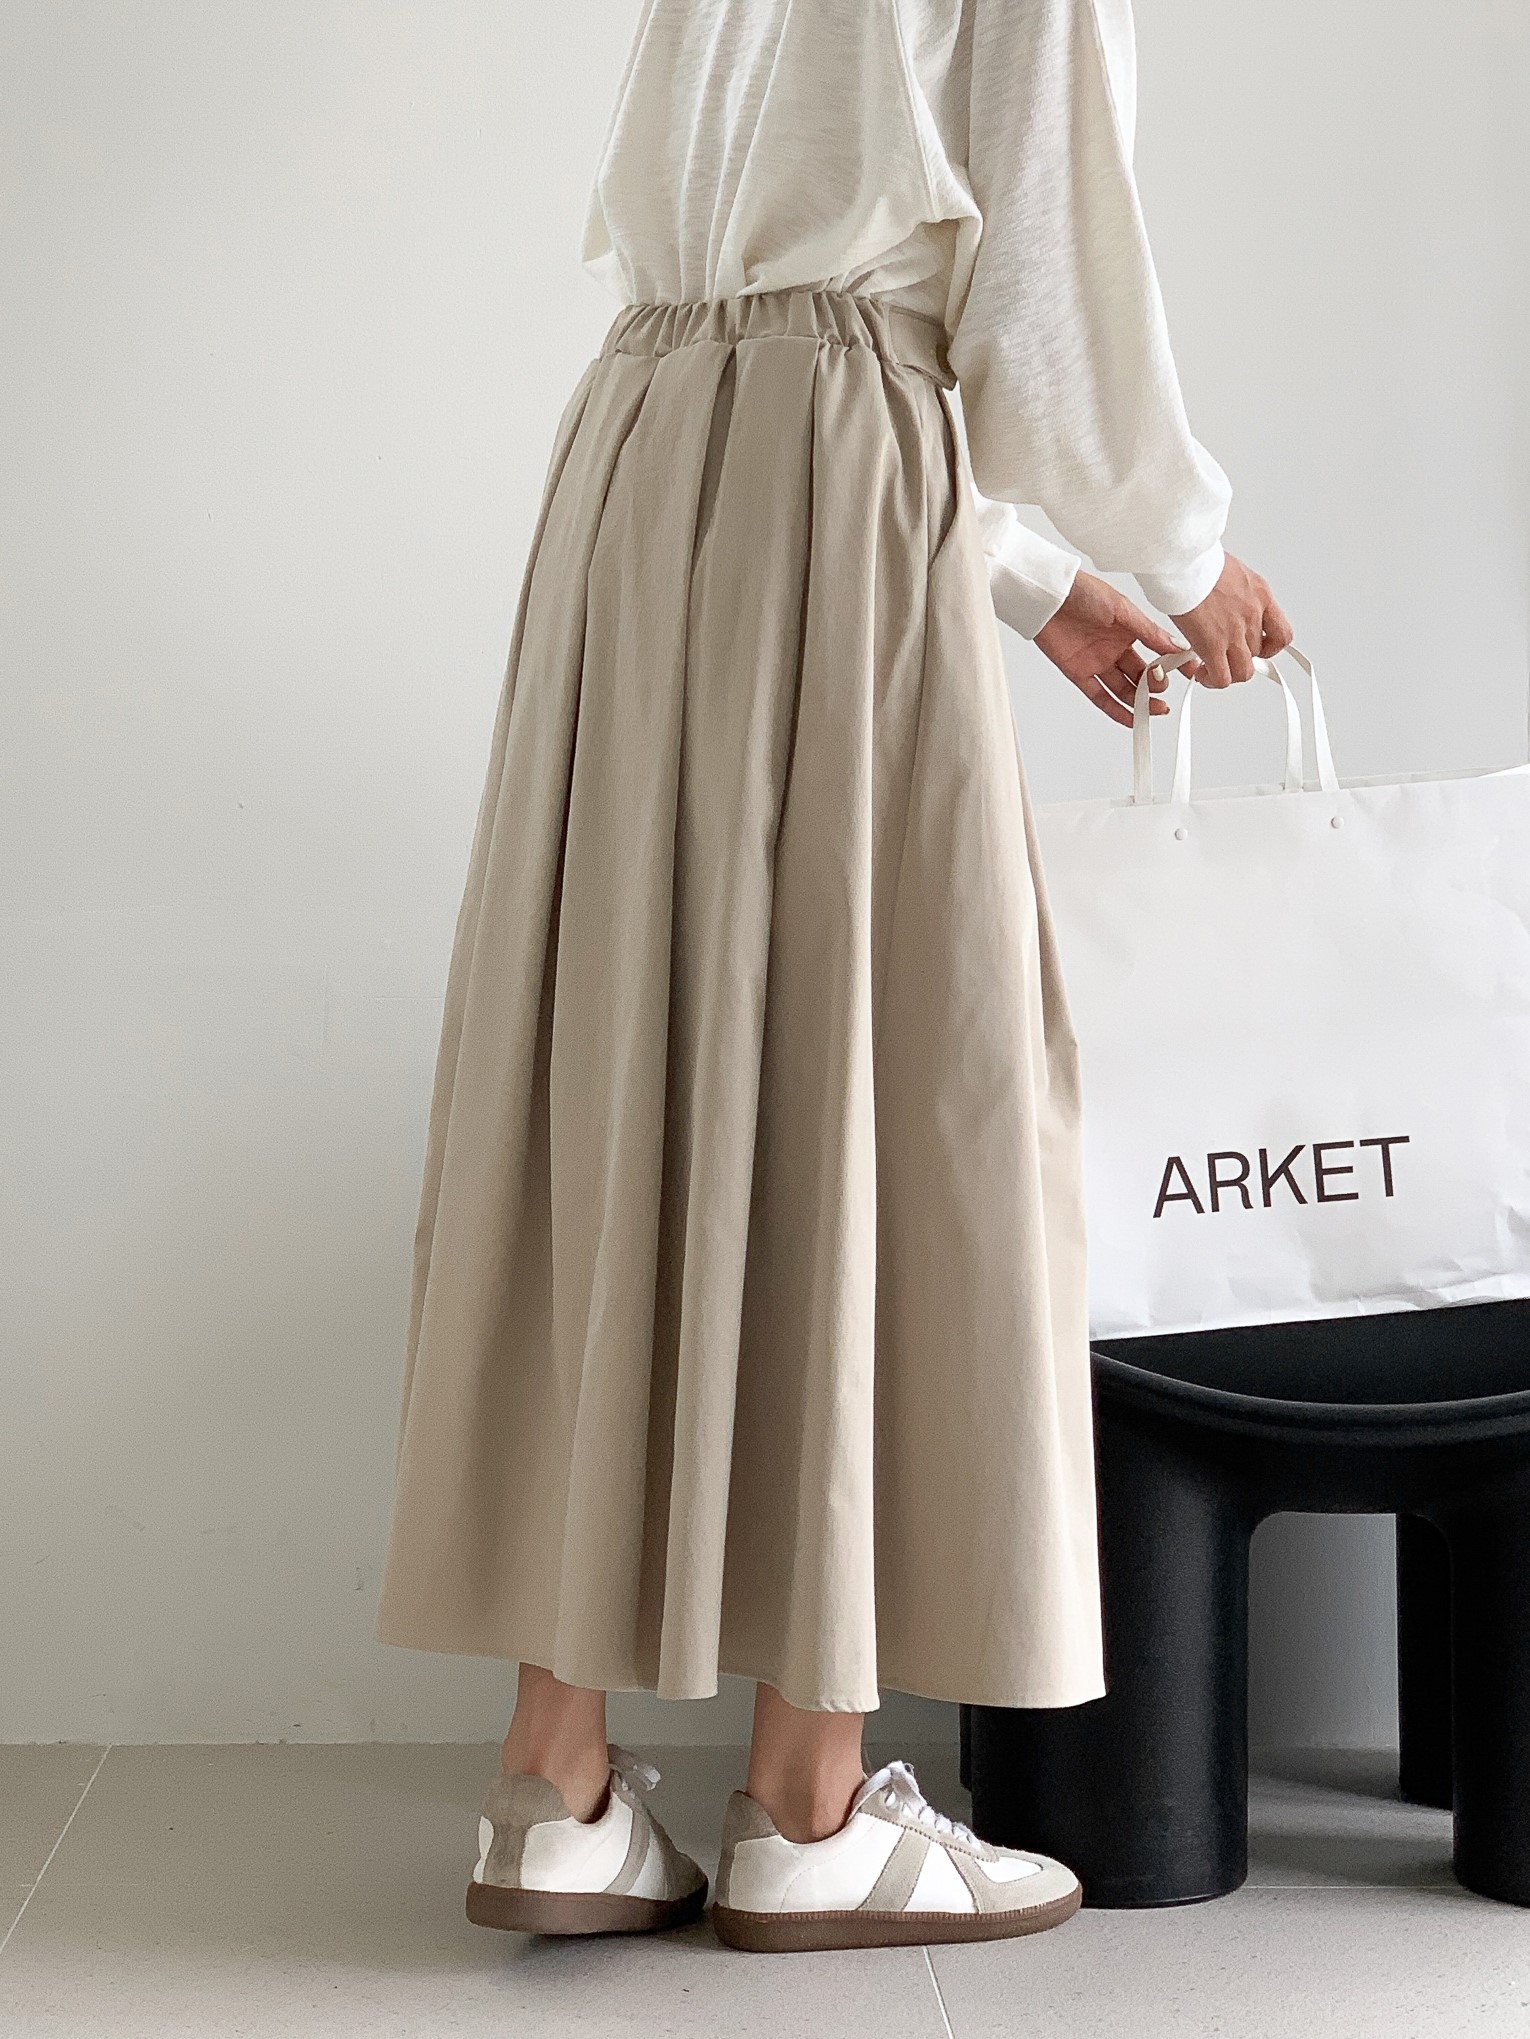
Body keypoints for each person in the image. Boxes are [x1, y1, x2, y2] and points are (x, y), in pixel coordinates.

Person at [375, 0, 1293, 1954]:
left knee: (631, 1069)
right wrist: (1183, 550)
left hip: (636, 454)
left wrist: (1031, 583)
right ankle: (808, 1798)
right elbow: (1040, 291)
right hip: (844, 477)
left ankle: (556, 1785)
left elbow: (751, 252)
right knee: (876, 1077)